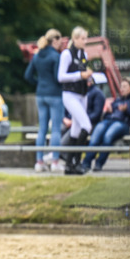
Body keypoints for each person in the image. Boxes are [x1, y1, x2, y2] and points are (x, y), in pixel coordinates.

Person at [81, 76, 130, 172]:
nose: (122, 89)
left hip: (122, 124)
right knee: (95, 137)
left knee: (107, 136)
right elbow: (106, 115)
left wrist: (127, 110)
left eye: (125, 87)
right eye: (121, 86)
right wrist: (108, 111)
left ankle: (99, 163)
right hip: (108, 121)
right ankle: (86, 163)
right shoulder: (117, 100)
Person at [24, 29, 65, 172]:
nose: (61, 44)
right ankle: (54, 162)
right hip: (54, 95)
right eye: (60, 41)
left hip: (40, 94)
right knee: (55, 129)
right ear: (54, 40)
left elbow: (28, 75)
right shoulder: (56, 57)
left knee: (42, 129)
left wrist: (39, 83)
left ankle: (39, 162)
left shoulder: (37, 55)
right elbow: (57, 78)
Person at [58, 26, 94, 174]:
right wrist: (80, 75)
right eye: (82, 38)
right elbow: (61, 77)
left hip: (82, 94)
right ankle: (77, 162)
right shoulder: (67, 54)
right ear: (75, 39)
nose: (85, 41)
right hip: (70, 94)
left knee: (76, 130)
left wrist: (89, 77)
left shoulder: (83, 53)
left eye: (86, 38)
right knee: (87, 126)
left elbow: (83, 72)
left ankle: (69, 165)